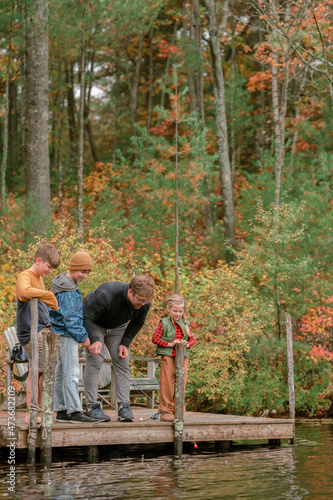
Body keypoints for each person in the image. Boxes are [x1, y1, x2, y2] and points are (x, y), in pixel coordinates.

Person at [83, 275, 154, 422]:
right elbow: (86, 316)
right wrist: (94, 340)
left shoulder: (145, 302)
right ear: (130, 292)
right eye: (139, 300)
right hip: (95, 324)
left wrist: (125, 343)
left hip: (117, 327)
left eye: (145, 301)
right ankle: (92, 407)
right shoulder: (107, 294)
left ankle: (124, 407)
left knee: (122, 361)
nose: (142, 303)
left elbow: (136, 323)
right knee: (95, 360)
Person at [49, 249, 100, 423]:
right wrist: (84, 338)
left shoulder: (62, 283)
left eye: (87, 272)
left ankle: (62, 410)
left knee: (62, 372)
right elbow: (70, 318)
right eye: (82, 271)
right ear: (73, 268)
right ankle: (75, 411)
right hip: (67, 334)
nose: (85, 275)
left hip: (60, 334)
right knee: (72, 373)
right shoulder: (68, 290)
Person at [16, 242, 61, 424]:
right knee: (38, 371)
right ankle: (31, 413)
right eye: (48, 267)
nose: (49, 271)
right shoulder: (25, 276)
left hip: (43, 330)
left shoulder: (40, 278)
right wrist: (49, 296)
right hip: (30, 332)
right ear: (39, 260)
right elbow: (24, 291)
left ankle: (41, 411)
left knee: (48, 371)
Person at [152, 294, 195, 422]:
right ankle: (166, 410)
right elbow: (155, 338)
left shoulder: (186, 323)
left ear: (183, 311)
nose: (177, 314)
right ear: (169, 309)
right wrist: (169, 344)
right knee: (167, 383)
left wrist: (187, 344)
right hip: (168, 356)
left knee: (181, 381)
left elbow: (192, 339)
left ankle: (179, 410)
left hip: (182, 356)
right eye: (175, 311)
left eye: (180, 311)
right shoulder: (164, 323)